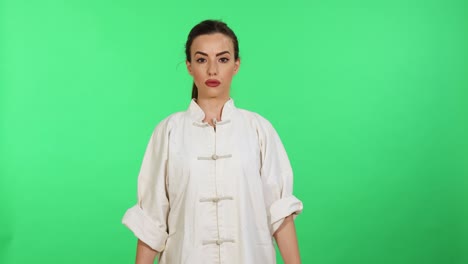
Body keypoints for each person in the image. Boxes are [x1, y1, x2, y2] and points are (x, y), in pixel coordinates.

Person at [122, 19, 303, 264]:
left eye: (223, 59)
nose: (212, 70)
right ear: (189, 66)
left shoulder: (259, 129)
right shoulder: (168, 132)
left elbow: (280, 214)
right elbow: (151, 221)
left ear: (236, 65)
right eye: (201, 59)